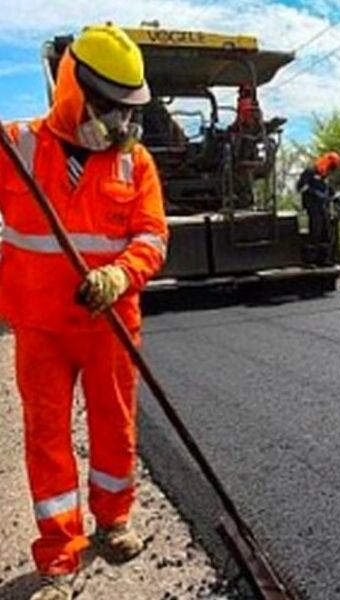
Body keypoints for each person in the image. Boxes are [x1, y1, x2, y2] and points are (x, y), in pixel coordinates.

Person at [0, 25, 168, 600]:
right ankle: (60, 553)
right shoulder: (16, 147)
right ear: (75, 90)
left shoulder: (135, 163)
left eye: (128, 109)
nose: (121, 122)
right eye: (110, 107)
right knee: (46, 437)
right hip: (39, 325)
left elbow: (152, 236)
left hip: (110, 324)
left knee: (114, 427)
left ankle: (114, 520)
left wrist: (122, 273)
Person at [296, 151, 340, 266]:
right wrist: (315, 193)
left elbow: (330, 191)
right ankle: (309, 261)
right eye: (332, 167)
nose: (333, 170)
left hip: (324, 208)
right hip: (312, 208)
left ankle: (324, 260)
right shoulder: (310, 172)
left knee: (326, 233)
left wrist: (338, 197)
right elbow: (300, 187)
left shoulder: (325, 176)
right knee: (314, 232)